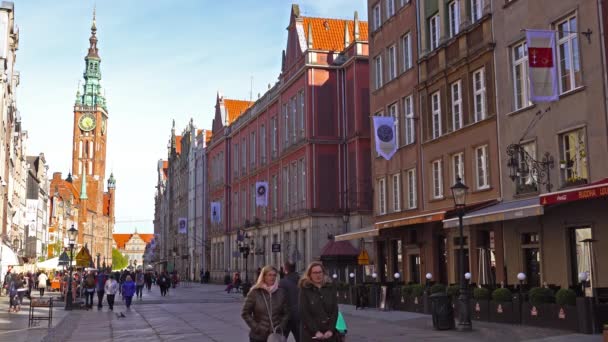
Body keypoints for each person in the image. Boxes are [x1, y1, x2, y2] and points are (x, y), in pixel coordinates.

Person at [241, 265, 289, 342]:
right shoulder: (255, 292)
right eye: (269, 275)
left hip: (275, 335)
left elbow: (287, 313)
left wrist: (282, 326)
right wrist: (256, 327)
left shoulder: (281, 292)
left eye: (274, 275)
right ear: (264, 276)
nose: (272, 277)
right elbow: (245, 313)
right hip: (258, 337)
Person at [299, 261, 339, 342]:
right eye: (315, 273)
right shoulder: (305, 290)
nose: (318, 275)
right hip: (311, 334)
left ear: (323, 273)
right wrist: (315, 331)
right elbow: (304, 312)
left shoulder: (330, 288)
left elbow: (335, 310)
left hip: (329, 334)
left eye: (320, 272)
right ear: (310, 274)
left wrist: (331, 330)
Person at [279, 261, 300, 342]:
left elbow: (280, 300)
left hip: (286, 318)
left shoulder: (282, 282)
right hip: (299, 316)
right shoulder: (301, 280)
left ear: (286, 270)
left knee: (281, 339)